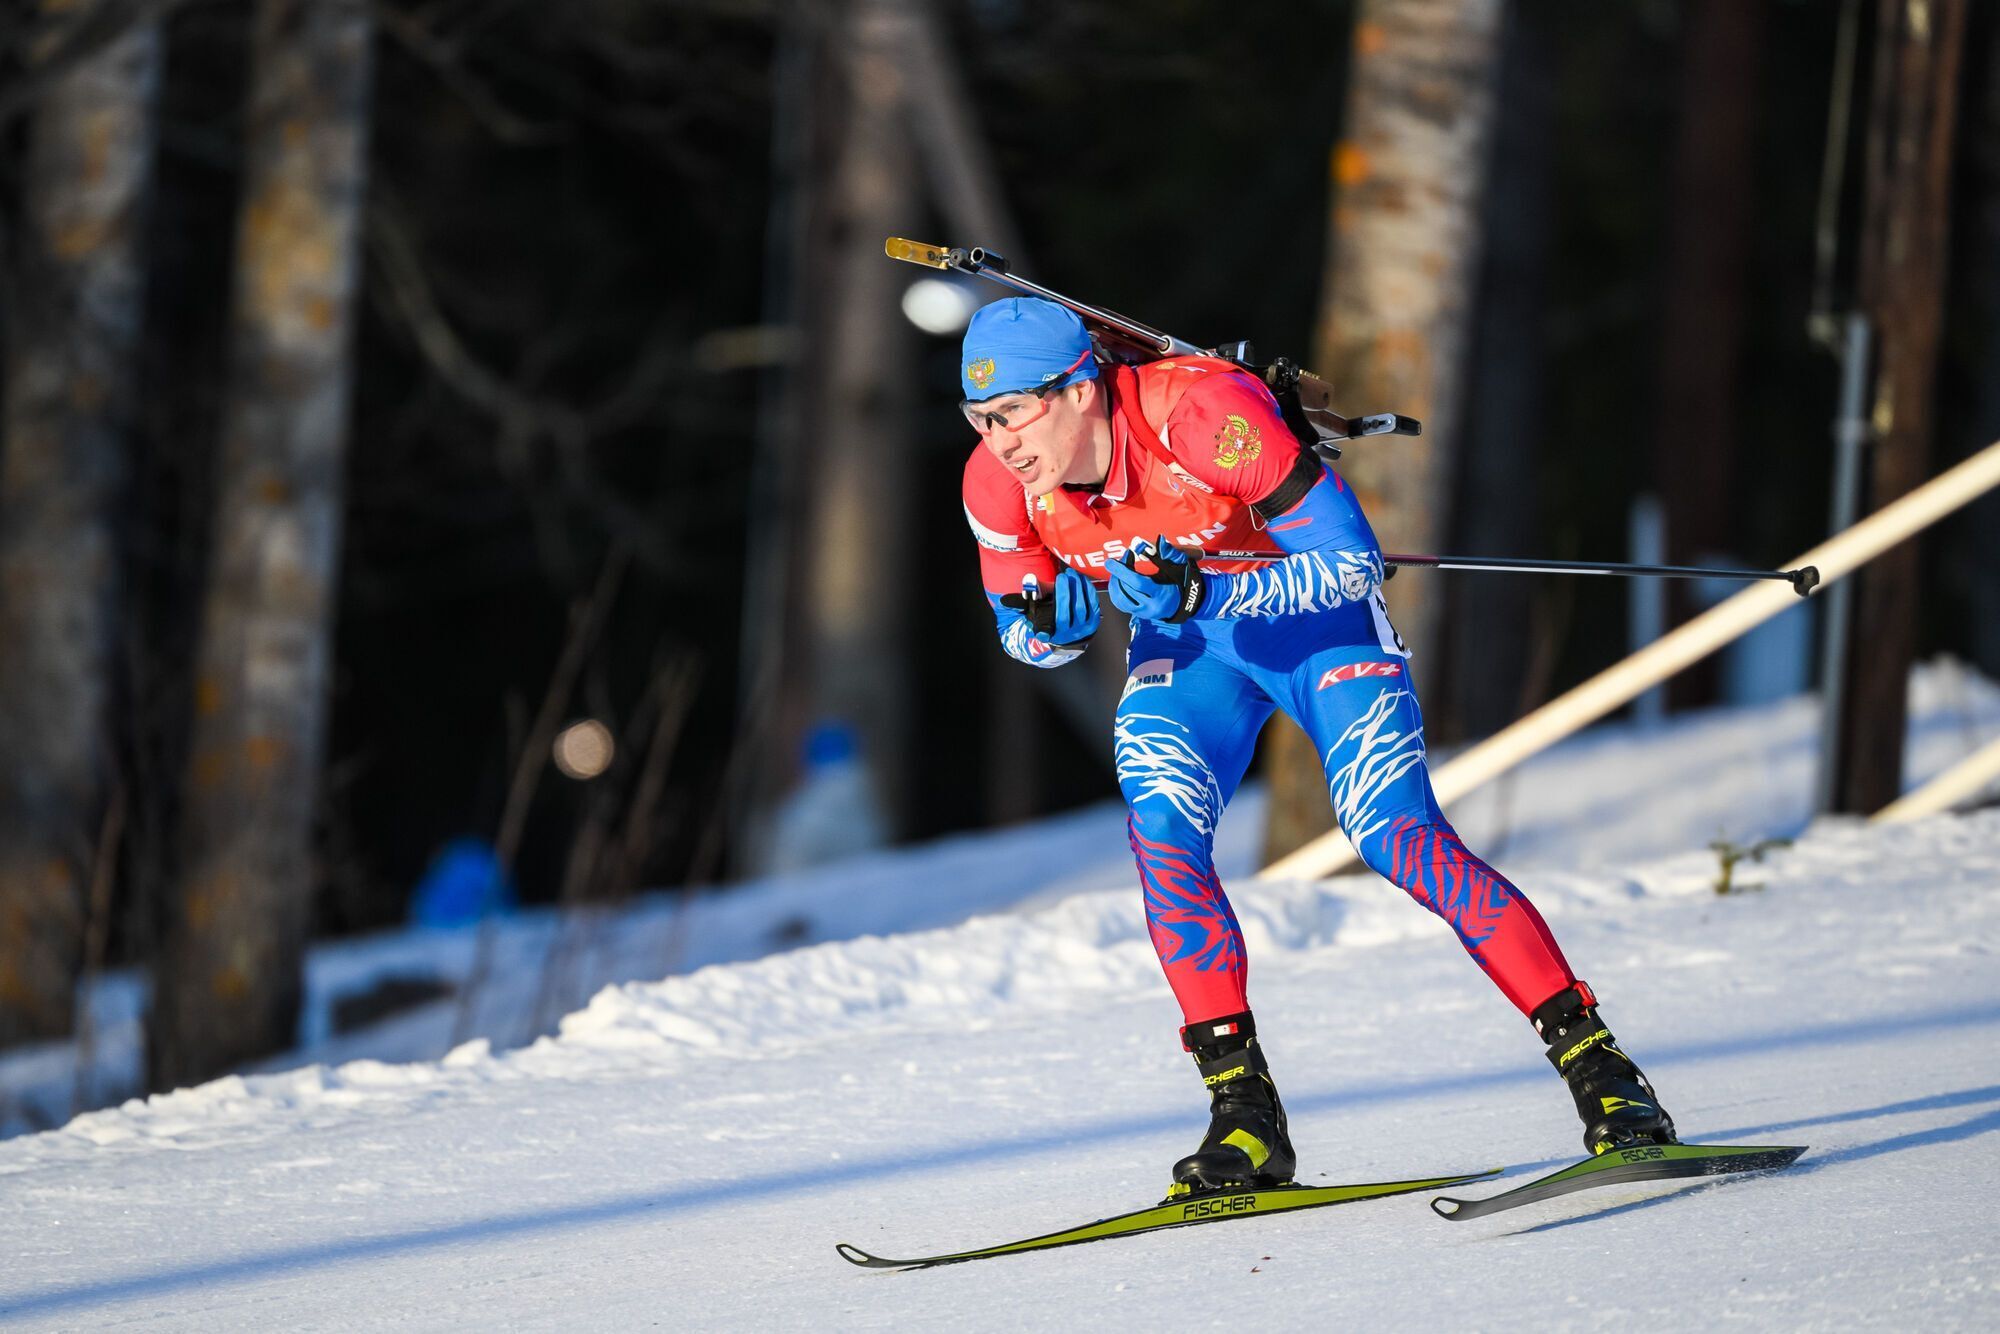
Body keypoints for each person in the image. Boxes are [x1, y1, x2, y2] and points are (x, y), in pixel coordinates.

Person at [956, 297, 1676, 1199]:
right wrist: (1051, 631)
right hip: (1191, 653)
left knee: (1397, 839)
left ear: (1078, 389)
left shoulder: (1201, 414)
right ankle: (1244, 1119)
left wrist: (1204, 597)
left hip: (1317, 627)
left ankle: (1604, 1076)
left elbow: (1351, 564)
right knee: (1162, 838)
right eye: (981, 419)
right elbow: (1018, 628)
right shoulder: (995, 483)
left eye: (1015, 412)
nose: (1001, 440)